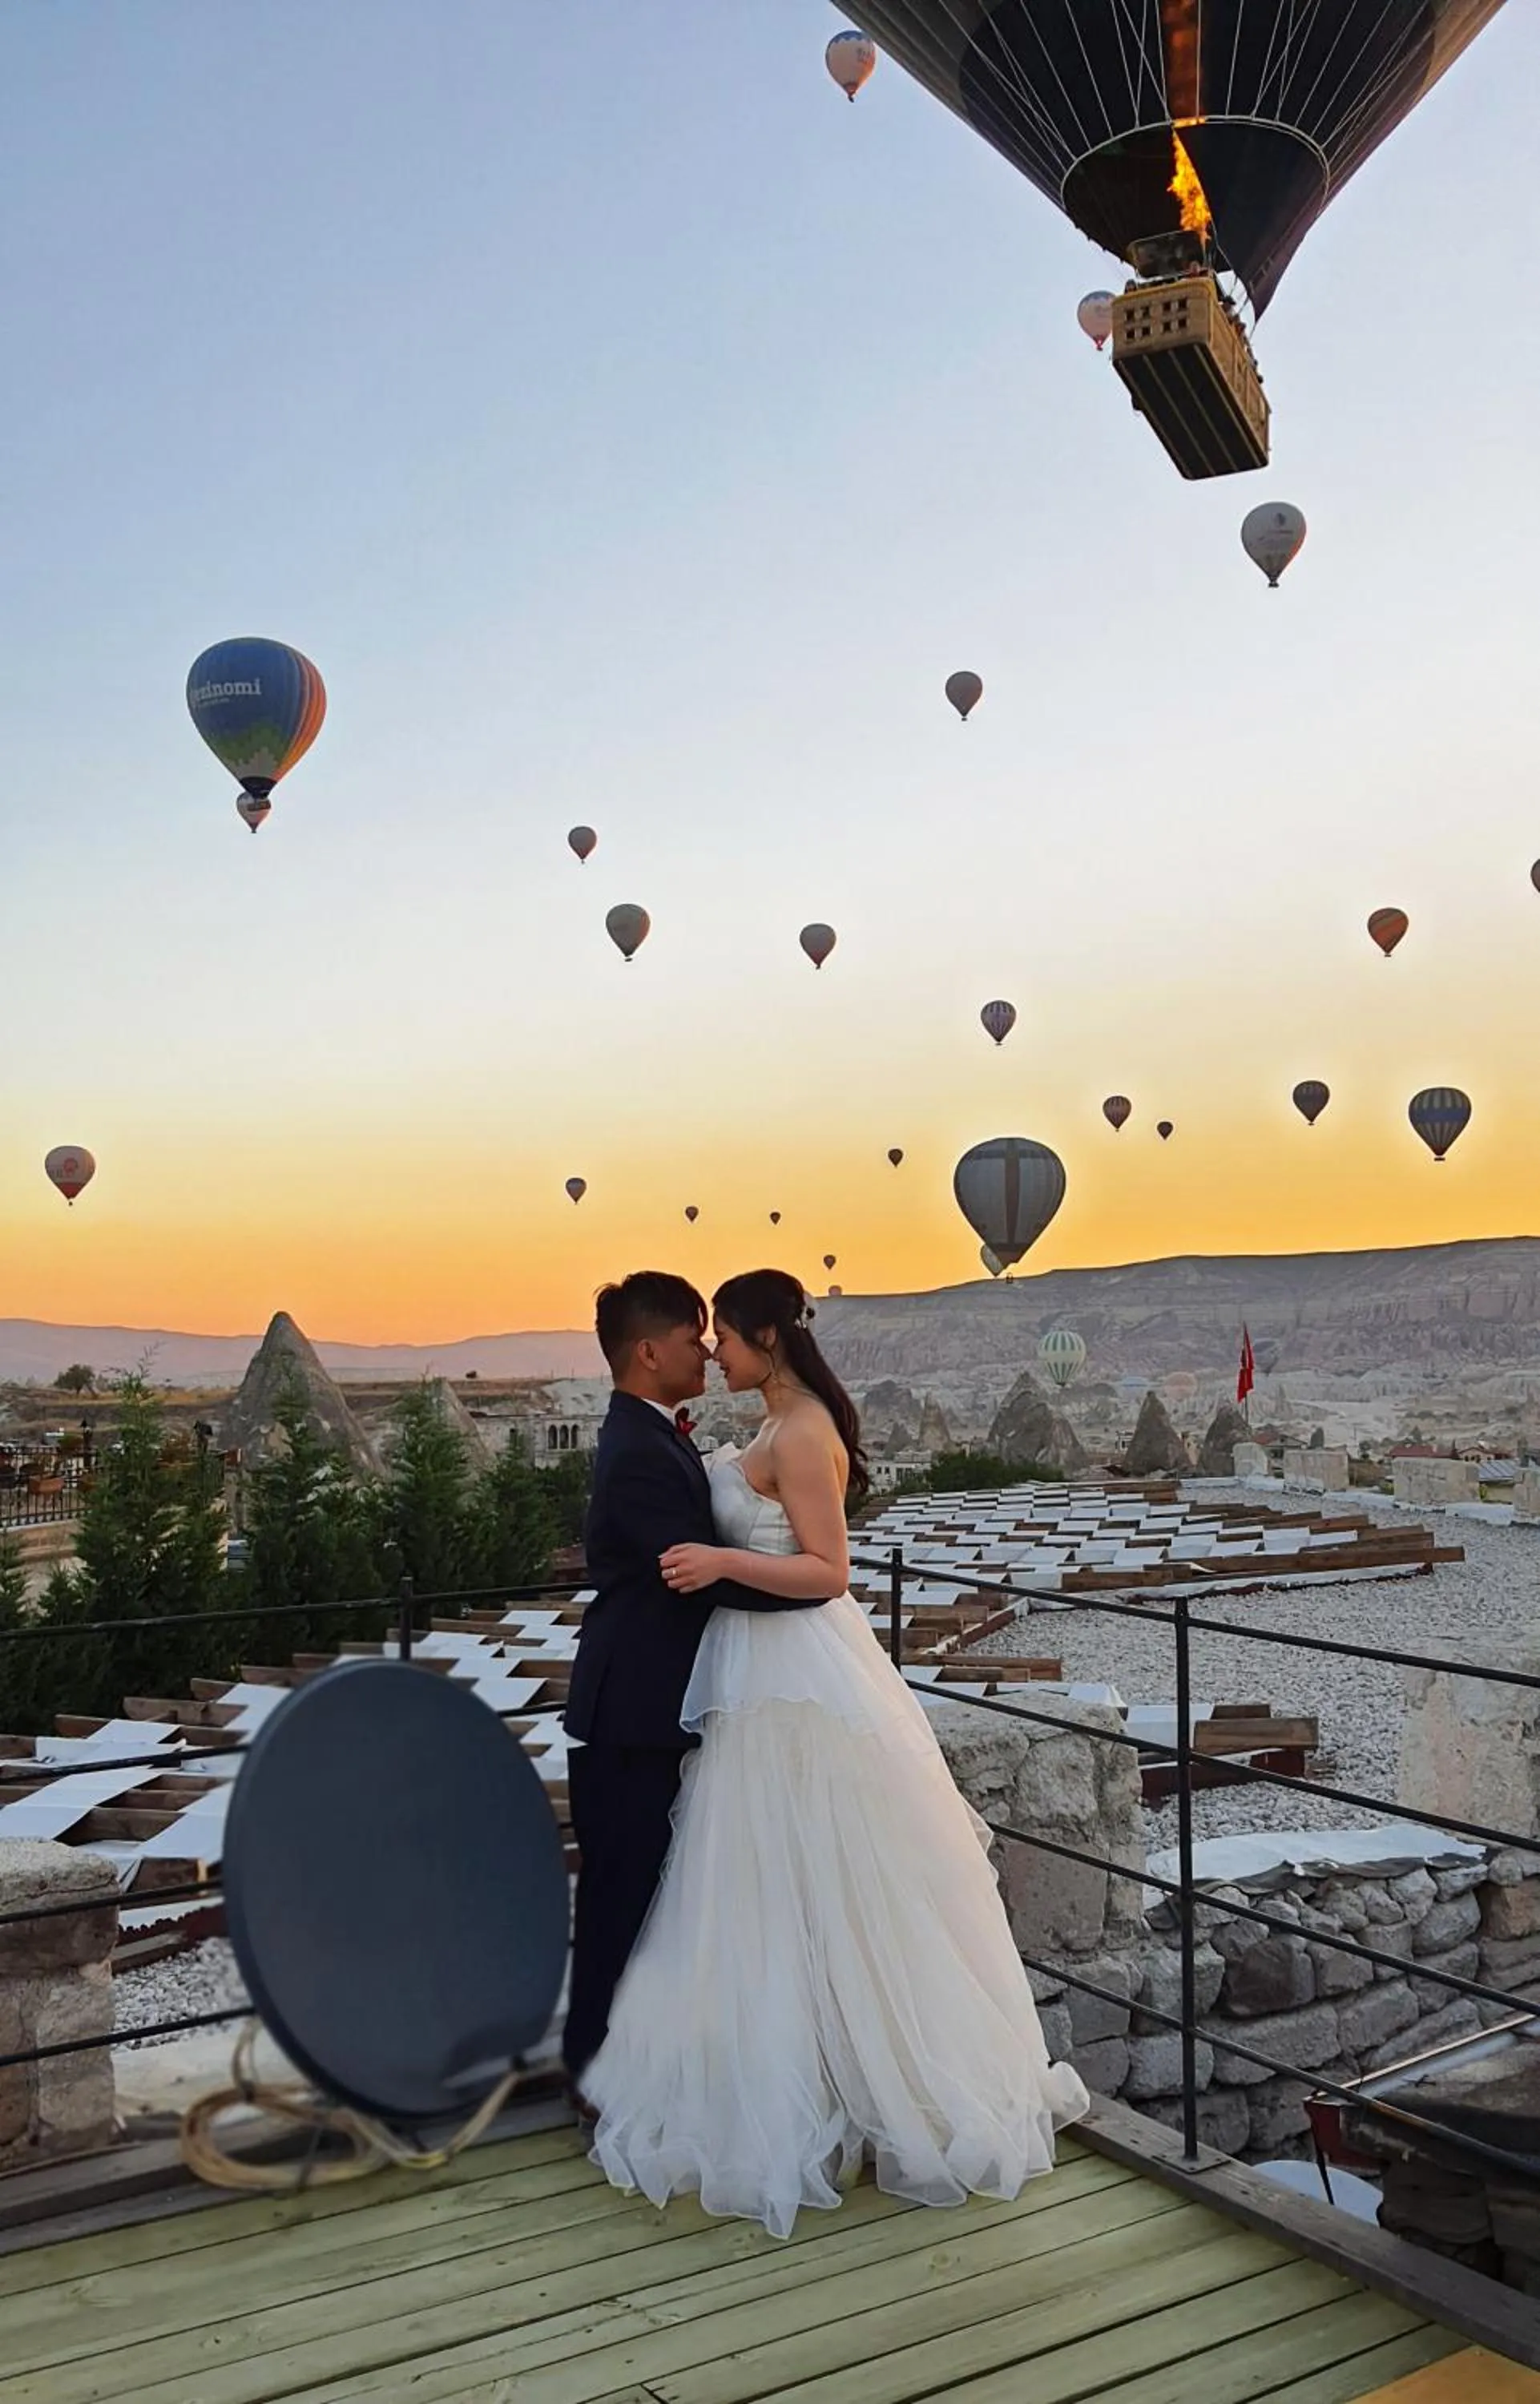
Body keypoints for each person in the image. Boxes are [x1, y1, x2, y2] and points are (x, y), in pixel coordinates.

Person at [583, 1267, 1088, 2238]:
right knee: (760, 1887)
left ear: (762, 1339)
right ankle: (801, 2078)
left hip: (794, 1673)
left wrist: (723, 1559)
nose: (711, 1351)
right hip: (745, 1675)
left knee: (822, 1874)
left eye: (721, 1335)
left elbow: (827, 1570)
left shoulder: (804, 1428)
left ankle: (869, 2090)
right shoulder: (774, 1428)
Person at [562, 1271, 832, 2095]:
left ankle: (632, 2069)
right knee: (623, 1893)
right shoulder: (641, 1450)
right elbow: (694, 1576)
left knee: (657, 1894)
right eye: (691, 1337)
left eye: (717, 1334)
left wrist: (807, 1585)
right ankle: (593, 2075)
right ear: (648, 1351)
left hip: (660, 1702)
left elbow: (718, 1562)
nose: (707, 1349)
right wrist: (806, 1596)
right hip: (636, 1710)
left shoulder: (654, 1435)